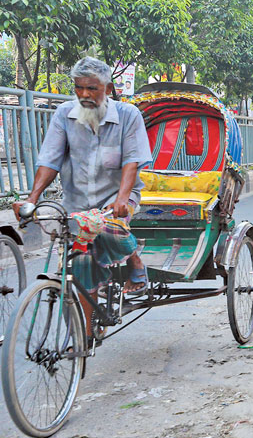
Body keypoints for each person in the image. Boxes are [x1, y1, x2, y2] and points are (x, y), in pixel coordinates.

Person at [13, 57, 153, 333]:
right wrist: (32, 199)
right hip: (77, 200)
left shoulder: (127, 115)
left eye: (92, 88)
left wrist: (122, 199)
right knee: (82, 265)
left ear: (108, 88)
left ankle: (134, 258)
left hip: (118, 197)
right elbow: (49, 161)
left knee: (109, 229)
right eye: (79, 88)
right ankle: (86, 334)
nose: (85, 95)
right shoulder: (64, 115)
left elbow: (132, 161)